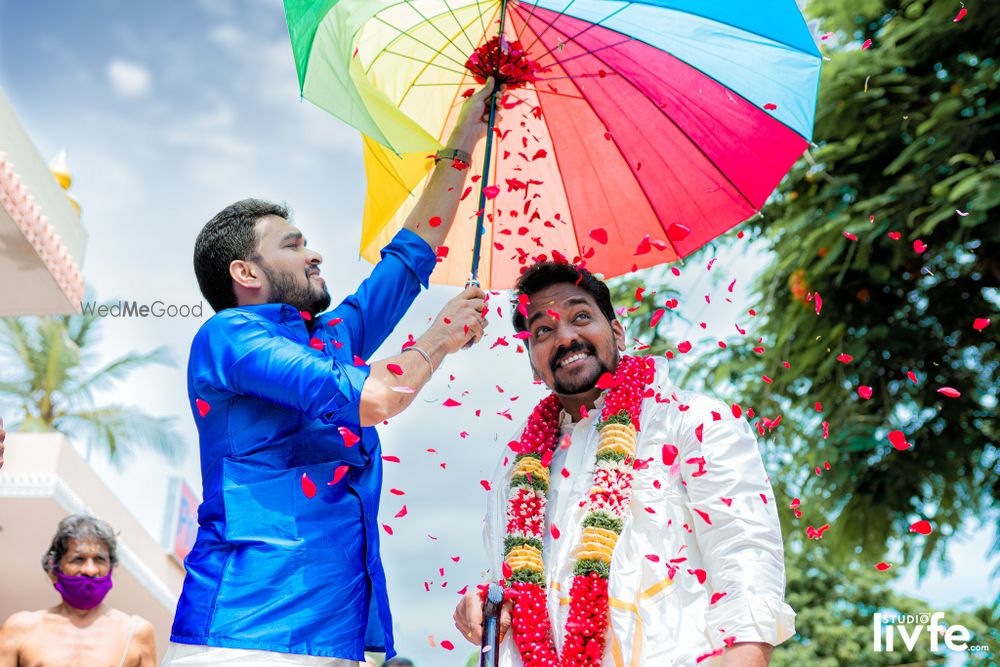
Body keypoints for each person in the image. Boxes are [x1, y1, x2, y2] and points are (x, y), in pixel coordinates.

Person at [165, 81, 498, 667]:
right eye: (294, 246)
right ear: (246, 271)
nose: (315, 254)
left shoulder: (332, 339)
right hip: (246, 634)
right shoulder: (231, 337)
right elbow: (376, 398)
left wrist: (465, 138)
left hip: (342, 638)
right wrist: (441, 337)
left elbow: (409, 256)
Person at [453, 262, 796, 666]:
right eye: (543, 330)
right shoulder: (520, 466)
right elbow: (523, 583)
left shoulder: (692, 421)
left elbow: (747, 563)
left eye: (581, 316)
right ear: (533, 362)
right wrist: (487, 603)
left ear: (617, 332)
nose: (565, 337)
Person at [0, 514, 157, 666]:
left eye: (99, 559)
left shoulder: (135, 633)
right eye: (78, 559)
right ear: (54, 571)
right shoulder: (20, 628)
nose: (90, 570)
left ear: (111, 568)